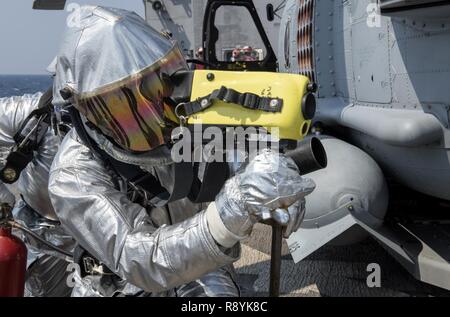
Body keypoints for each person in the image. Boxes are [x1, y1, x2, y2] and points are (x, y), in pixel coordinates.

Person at [49, 6, 315, 297]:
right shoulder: (73, 175)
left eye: (159, 86)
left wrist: (272, 181)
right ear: (88, 112)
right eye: (127, 105)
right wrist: (233, 209)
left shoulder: (185, 116)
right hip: (121, 284)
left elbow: (239, 152)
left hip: (202, 265)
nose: (156, 115)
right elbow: (140, 260)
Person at [0, 89, 75, 297]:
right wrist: (3, 200)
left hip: (107, 244)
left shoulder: (137, 119)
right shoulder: (37, 114)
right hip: (41, 239)